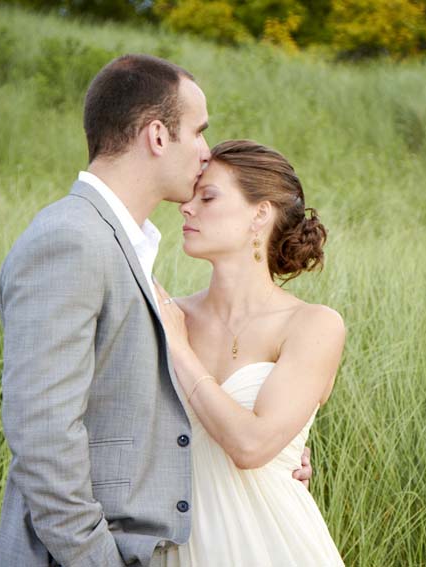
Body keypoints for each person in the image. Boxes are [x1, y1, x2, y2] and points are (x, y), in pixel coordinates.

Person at [0, 55, 311, 567]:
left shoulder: (128, 249)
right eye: (199, 132)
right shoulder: (70, 240)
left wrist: (279, 453)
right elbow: (45, 441)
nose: (206, 152)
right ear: (158, 137)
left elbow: (136, 402)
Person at [153, 139, 346, 566]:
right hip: (180, 549)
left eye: (208, 197)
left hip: (279, 545)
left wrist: (179, 349)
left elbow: (252, 447)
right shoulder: (167, 313)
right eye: (190, 197)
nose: (186, 208)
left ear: (260, 214)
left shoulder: (312, 324)